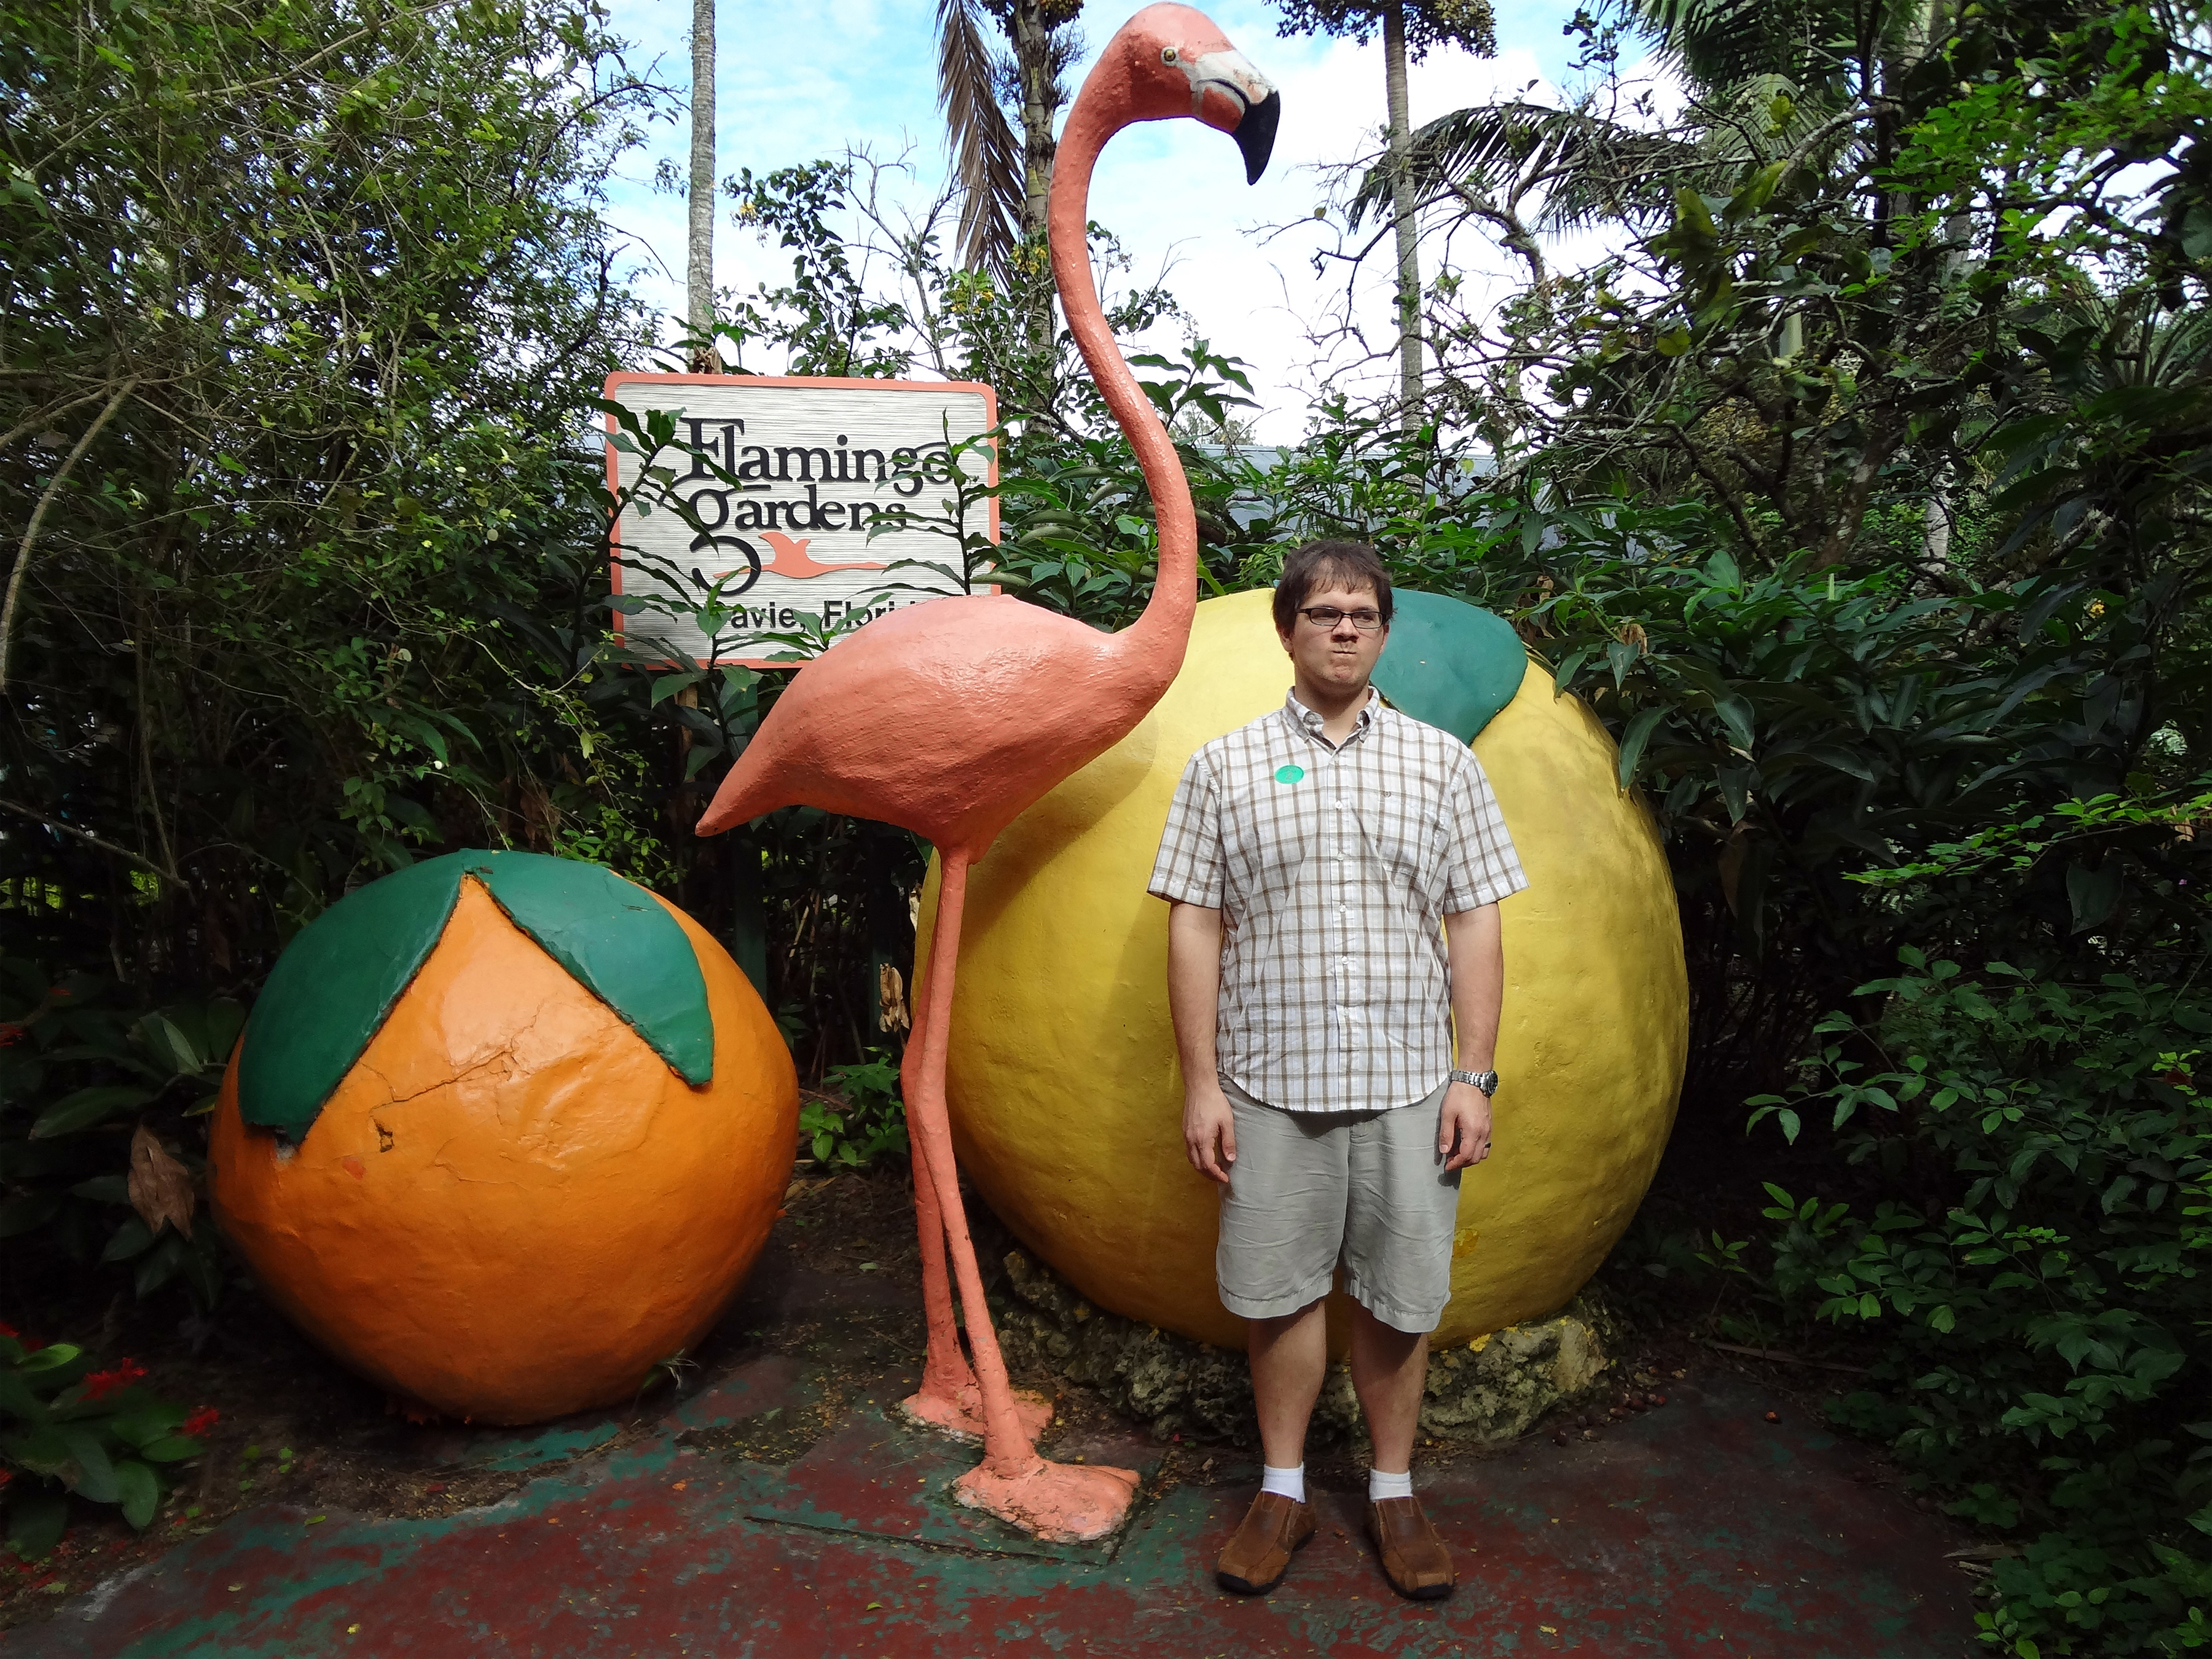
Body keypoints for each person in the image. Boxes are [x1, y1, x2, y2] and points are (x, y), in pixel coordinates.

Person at [1146, 539, 1526, 1601]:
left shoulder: (1444, 764)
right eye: (1323, 614)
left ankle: (1396, 1494)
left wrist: (1475, 1074)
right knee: (1277, 1297)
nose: (1344, 628)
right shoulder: (1223, 765)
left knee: (1401, 1305)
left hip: (1412, 1084)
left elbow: (1476, 920)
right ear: (1288, 632)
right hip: (1270, 1085)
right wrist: (1203, 1083)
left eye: (1362, 613)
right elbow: (1194, 926)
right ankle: (1281, 1491)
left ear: (1385, 631)